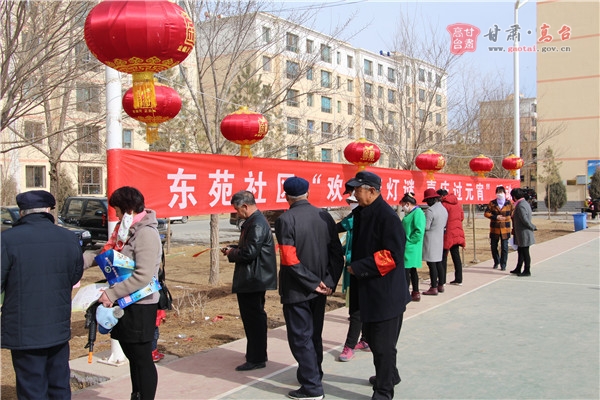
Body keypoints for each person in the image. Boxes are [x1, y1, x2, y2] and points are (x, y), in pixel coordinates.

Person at [1, 190, 84, 399]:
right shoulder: (68, 238)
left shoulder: (7, 240)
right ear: (48, 210)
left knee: (32, 388)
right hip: (58, 325)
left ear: (22, 212)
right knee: (59, 384)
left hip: (24, 328)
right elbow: (75, 276)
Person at [275, 176, 344, 400]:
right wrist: (329, 282)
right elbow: (337, 254)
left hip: (298, 290)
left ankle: (312, 388)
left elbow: (289, 259)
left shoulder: (286, 219)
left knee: (300, 338)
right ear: (308, 193)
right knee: (314, 335)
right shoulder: (324, 216)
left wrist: (312, 282)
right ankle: (313, 374)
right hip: (321, 288)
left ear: (286, 196)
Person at [344, 171, 409, 400]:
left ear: (372, 191)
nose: (354, 194)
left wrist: (359, 267)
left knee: (383, 346)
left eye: (357, 190)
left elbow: (393, 256)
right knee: (372, 339)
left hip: (385, 293)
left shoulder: (386, 217)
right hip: (368, 291)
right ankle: (390, 375)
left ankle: (383, 391)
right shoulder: (363, 213)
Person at [96, 186, 162, 400]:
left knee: (142, 358)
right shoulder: (126, 231)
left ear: (129, 210)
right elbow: (109, 253)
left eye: (117, 210)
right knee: (133, 356)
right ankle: (137, 395)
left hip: (141, 305)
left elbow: (143, 275)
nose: (116, 216)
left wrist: (112, 294)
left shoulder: (146, 234)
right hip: (126, 302)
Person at [223, 190, 277, 371]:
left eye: (237, 210)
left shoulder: (257, 224)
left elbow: (250, 253)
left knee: (254, 319)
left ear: (245, 206)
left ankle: (256, 358)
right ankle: (256, 353)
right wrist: (233, 248)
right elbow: (250, 247)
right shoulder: (254, 222)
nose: (237, 213)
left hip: (254, 279)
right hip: (254, 277)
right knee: (253, 319)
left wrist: (232, 253)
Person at [337, 194, 370, 362]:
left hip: (364, 269)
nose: (350, 204)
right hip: (354, 267)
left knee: (357, 310)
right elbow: (347, 241)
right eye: (349, 201)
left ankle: (349, 346)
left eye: (352, 201)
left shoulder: (364, 219)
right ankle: (365, 339)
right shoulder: (353, 217)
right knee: (359, 308)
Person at [421, 189, 448, 296]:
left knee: (431, 264)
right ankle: (441, 284)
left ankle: (433, 286)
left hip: (430, 239)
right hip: (439, 238)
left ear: (432, 199)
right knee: (438, 263)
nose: (427, 203)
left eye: (428, 200)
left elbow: (426, 226)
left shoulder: (430, 211)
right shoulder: (443, 209)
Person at [399, 192, 426, 302]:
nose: (402, 207)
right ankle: (415, 292)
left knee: (406, 271)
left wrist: (409, 242)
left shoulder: (418, 213)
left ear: (408, 204)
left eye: (403, 205)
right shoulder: (411, 213)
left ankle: (406, 294)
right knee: (412, 270)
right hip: (409, 247)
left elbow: (419, 231)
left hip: (411, 247)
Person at [437, 189, 466, 285]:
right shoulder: (457, 204)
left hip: (448, 233)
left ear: (441, 196)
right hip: (457, 232)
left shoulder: (444, 205)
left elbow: (441, 219)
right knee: (456, 256)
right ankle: (459, 279)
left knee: (443, 257)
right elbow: (462, 217)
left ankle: (442, 280)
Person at [484, 186, 514, 271]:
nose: (500, 194)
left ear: (504, 193)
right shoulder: (492, 203)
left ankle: (503, 264)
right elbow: (486, 213)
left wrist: (506, 218)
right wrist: (496, 217)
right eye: (498, 192)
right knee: (494, 246)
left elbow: (513, 213)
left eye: (501, 192)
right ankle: (496, 261)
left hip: (505, 228)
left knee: (504, 247)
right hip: (495, 228)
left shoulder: (509, 203)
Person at [510, 188, 536, 277]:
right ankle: (518, 268)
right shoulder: (524, 203)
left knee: (525, 252)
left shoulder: (521, 205)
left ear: (514, 197)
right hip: (520, 232)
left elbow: (524, 219)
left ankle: (527, 270)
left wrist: (532, 226)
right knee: (520, 251)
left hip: (523, 233)